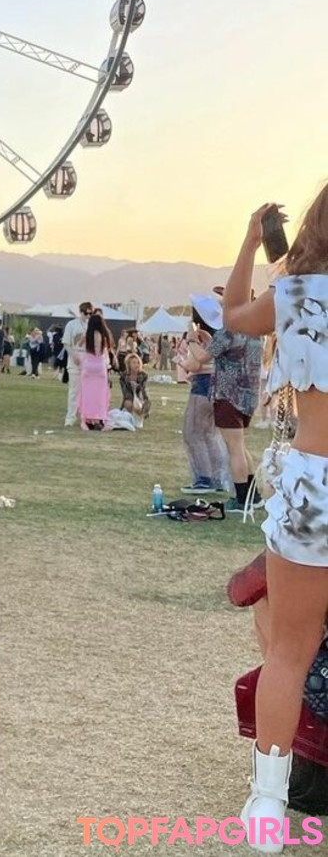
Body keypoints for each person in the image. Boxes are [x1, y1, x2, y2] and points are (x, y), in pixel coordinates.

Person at [223, 193, 328, 849]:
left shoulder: (297, 297)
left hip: (313, 485)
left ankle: (267, 804)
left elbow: (234, 313)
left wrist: (250, 240)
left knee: (289, 651)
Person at [204, 289, 265, 513]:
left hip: (227, 395)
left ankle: (241, 499)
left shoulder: (229, 330)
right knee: (240, 446)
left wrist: (191, 339)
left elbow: (201, 357)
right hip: (247, 396)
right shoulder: (256, 330)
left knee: (234, 449)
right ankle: (252, 495)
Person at [176, 309, 230, 495]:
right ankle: (218, 478)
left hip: (203, 383)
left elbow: (195, 364)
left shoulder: (198, 336)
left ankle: (204, 479)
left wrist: (181, 359)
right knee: (209, 433)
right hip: (218, 383)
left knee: (193, 432)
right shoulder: (219, 334)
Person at [78, 310, 112, 431]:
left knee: (87, 393)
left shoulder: (86, 335)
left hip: (88, 365)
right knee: (100, 394)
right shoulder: (104, 335)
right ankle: (100, 418)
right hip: (100, 366)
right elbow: (105, 349)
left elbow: (78, 345)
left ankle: (86, 419)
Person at [62, 301, 92, 425]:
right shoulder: (71, 325)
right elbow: (66, 343)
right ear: (81, 312)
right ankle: (70, 418)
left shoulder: (91, 325)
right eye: (86, 313)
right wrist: (73, 355)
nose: (88, 316)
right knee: (74, 391)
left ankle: (86, 417)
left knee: (88, 392)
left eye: (90, 313)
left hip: (88, 362)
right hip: (75, 362)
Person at [119, 353, 151, 426]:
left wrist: (144, 401)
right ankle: (129, 418)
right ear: (129, 364)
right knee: (129, 404)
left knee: (146, 403)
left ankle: (140, 417)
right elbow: (125, 392)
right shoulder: (123, 376)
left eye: (138, 362)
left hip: (140, 395)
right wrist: (133, 401)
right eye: (133, 363)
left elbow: (143, 390)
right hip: (129, 396)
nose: (136, 365)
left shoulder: (143, 375)